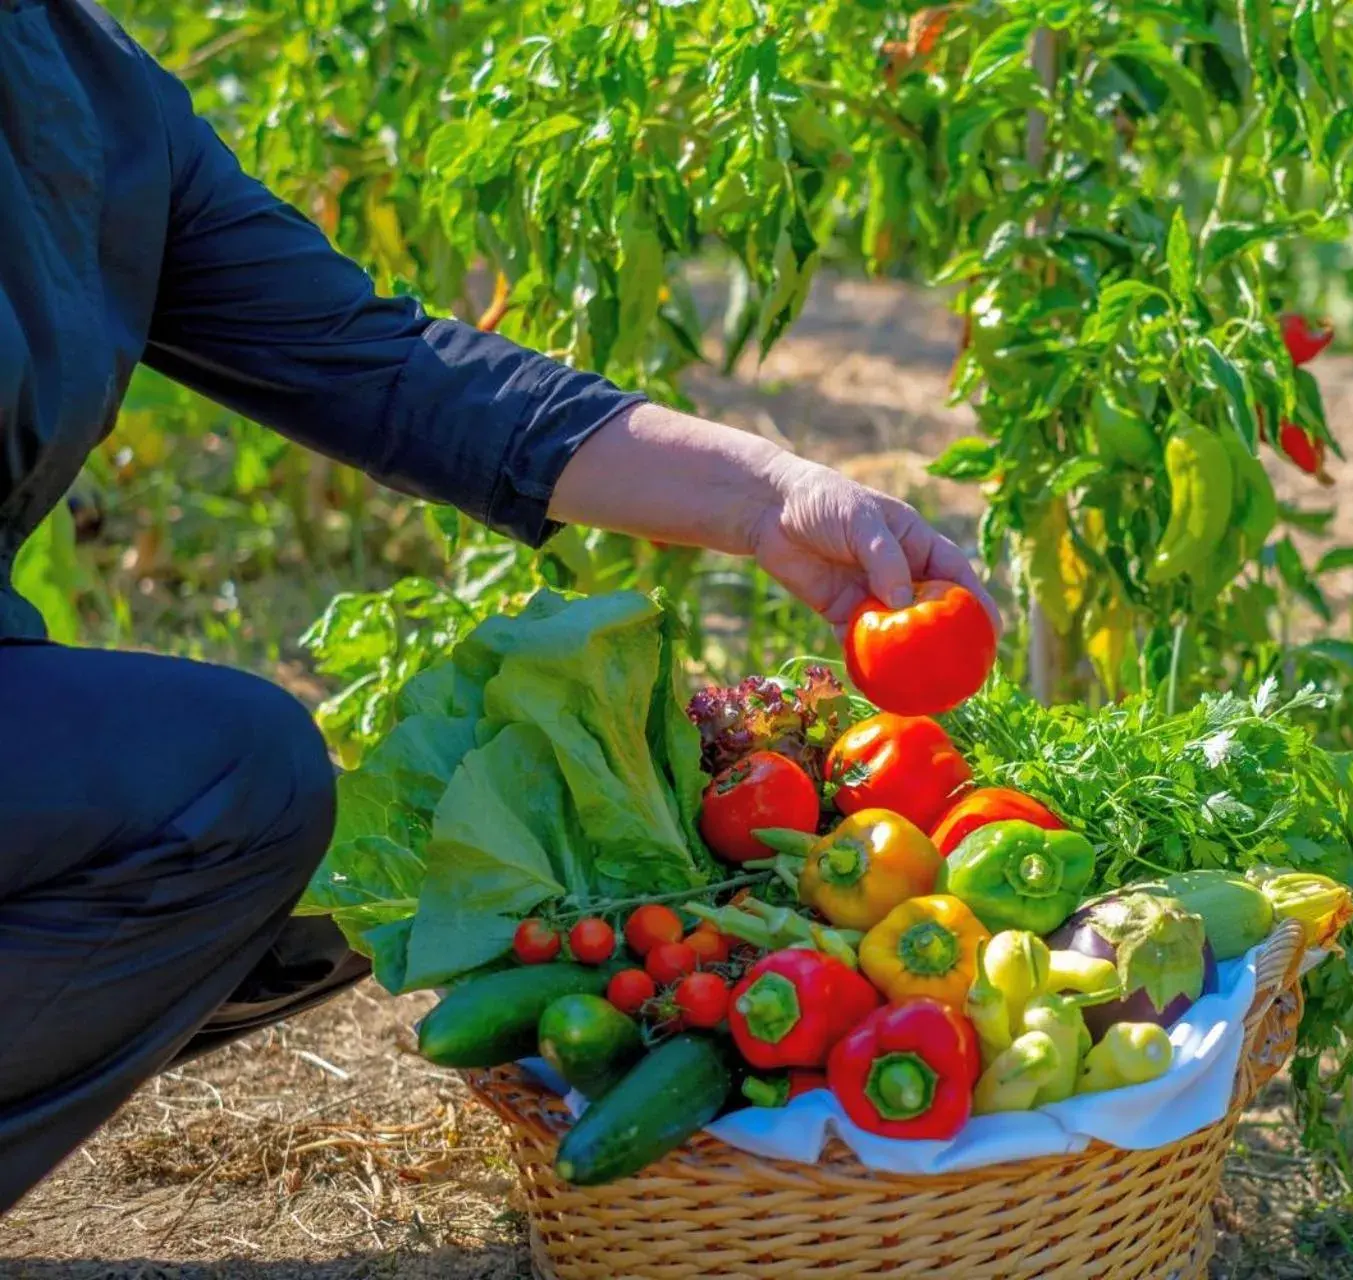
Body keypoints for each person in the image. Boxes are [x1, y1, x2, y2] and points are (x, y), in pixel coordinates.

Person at [0, 1, 998, 1214]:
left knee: (318, 875)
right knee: (234, 772)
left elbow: (387, 367)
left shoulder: (90, 97)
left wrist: (768, 497)